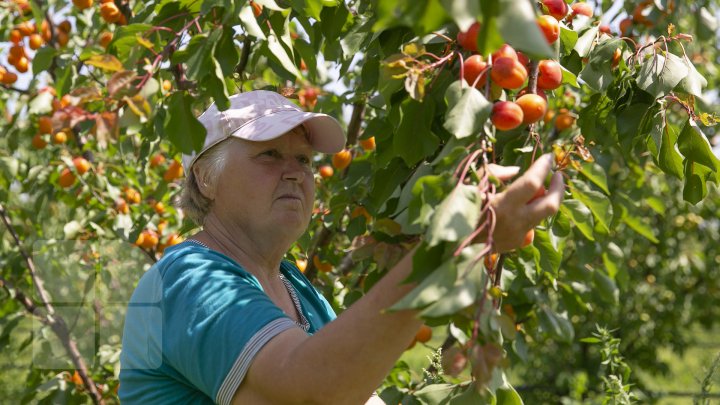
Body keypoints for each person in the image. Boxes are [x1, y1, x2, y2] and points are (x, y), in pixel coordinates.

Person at [119, 90, 563, 404]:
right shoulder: (188, 278)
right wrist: (456, 246)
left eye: (304, 161)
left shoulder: (296, 289)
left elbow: (353, 395)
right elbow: (314, 390)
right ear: (205, 178)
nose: (295, 173)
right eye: (269, 155)